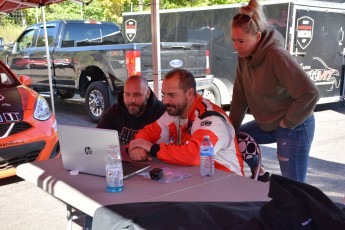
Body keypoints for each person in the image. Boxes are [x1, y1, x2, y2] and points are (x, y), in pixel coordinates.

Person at [229, 0, 319, 182]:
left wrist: (286, 124)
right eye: (233, 40)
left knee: (294, 188)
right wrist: (230, 128)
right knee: (236, 139)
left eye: (241, 41)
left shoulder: (276, 55)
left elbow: (310, 93)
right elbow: (240, 96)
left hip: (295, 126)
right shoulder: (244, 57)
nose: (236, 46)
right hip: (269, 124)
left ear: (258, 37)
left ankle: (302, 210)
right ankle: (261, 175)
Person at [128, 68, 244, 175]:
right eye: (164, 95)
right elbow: (147, 133)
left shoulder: (210, 118)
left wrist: (151, 148)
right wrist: (136, 147)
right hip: (196, 178)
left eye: (172, 95)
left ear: (189, 93)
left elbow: (194, 155)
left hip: (227, 182)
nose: (165, 101)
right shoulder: (174, 112)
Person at [97, 75, 166, 151]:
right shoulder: (115, 110)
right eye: (127, 94)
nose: (131, 100)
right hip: (120, 160)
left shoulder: (162, 112)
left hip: (151, 161)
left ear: (148, 93)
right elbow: (97, 136)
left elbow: (166, 147)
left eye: (137, 95)